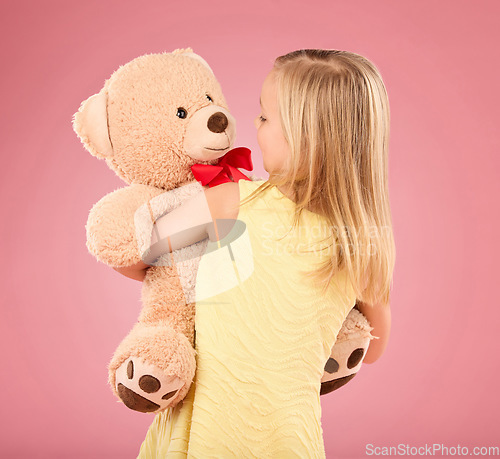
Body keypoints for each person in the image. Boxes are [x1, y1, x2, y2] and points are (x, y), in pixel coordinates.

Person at [117, 49, 395, 458]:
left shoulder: (231, 202)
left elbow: (132, 256)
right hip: (291, 441)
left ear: (305, 135)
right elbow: (373, 349)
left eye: (264, 117)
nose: (254, 124)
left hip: (204, 435)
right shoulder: (363, 241)